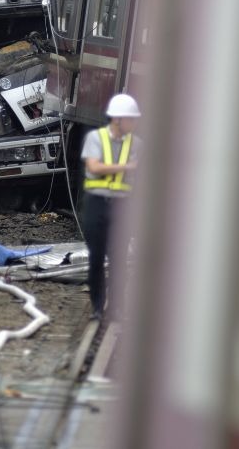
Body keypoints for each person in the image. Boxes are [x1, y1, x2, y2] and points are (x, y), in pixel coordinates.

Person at [81, 93, 142, 322]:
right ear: (117, 119)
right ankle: (97, 307)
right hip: (96, 205)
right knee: (96, 257)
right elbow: (94, 167)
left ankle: (117, 307)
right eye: (131, 119)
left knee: (118, 258)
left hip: (122, 207)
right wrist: (127, 166)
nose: (134, 124)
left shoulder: (138, 144)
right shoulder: (95, 139)